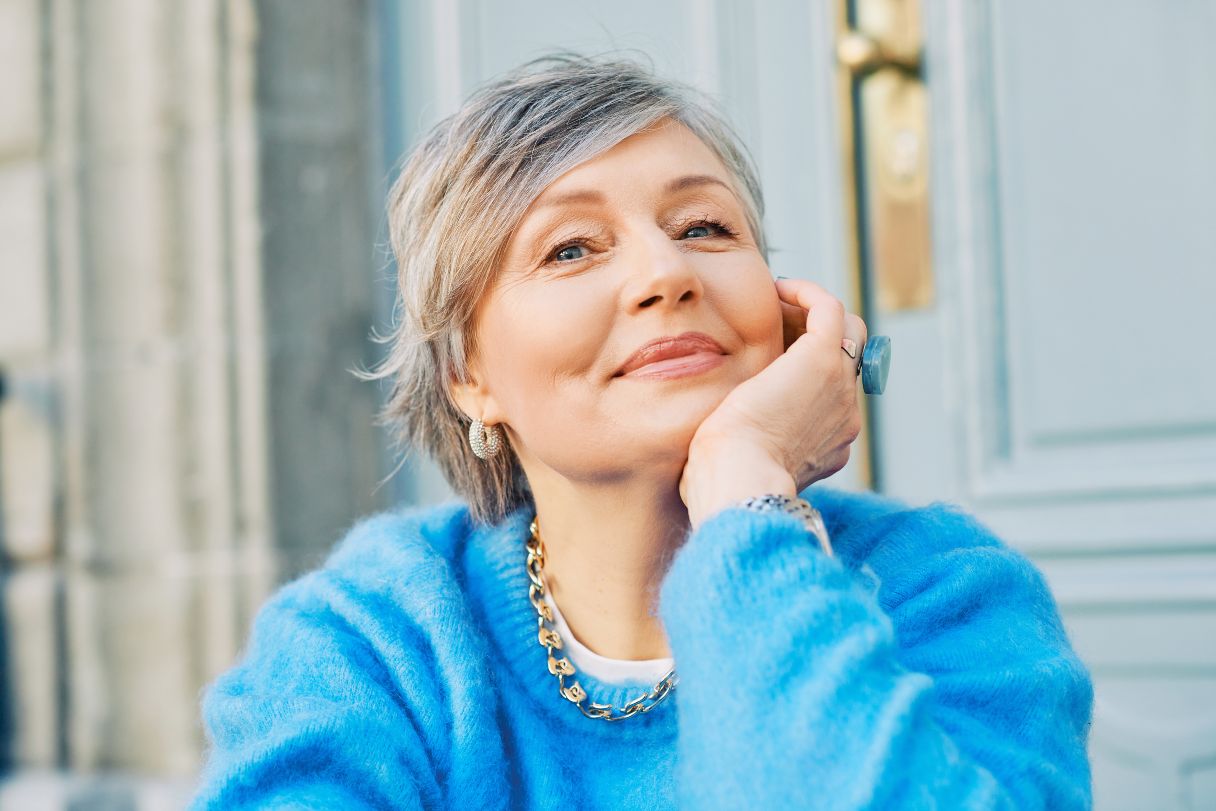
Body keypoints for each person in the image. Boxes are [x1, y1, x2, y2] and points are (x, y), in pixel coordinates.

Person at [190, 52, 1093, 809]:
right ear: (467, 375)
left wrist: (747, 493)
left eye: (703, 226)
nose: (666, 272)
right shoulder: (376, 636)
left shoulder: (945, 593)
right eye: (571, 248)